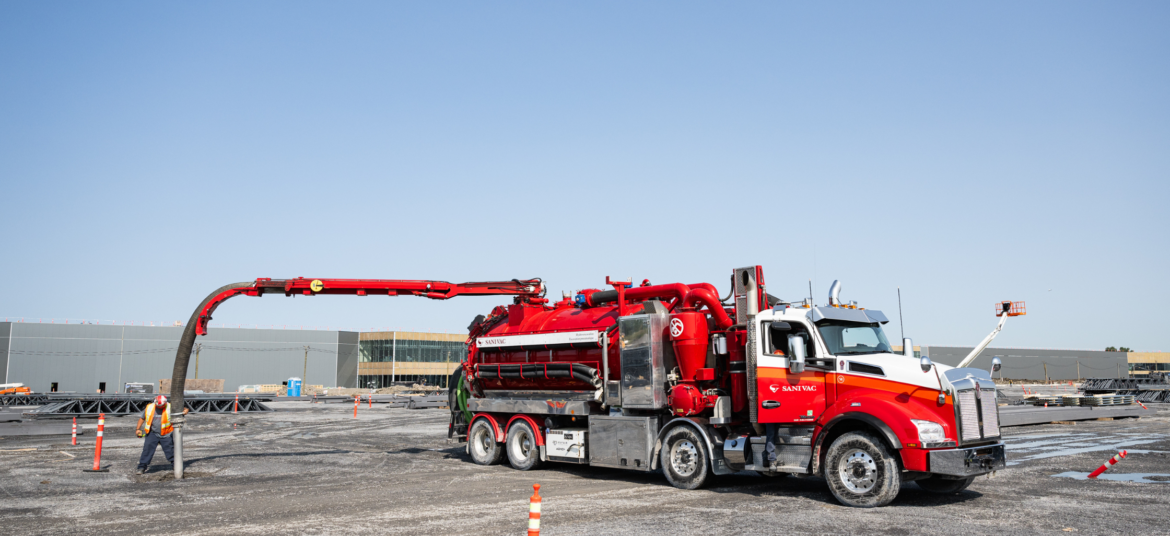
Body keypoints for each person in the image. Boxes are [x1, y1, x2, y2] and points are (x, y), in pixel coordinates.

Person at [134, 395, 189, 475]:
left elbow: (184, 409)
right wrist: (138, 429)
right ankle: (141, 467)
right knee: (147, 450)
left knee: (170, 451)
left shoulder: (170, 407)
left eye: (162, 406)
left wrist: (186, 409)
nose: (160, 407)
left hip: (166, 433)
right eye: (158, 406)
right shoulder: (149, 407)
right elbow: (142, 418)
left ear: (165, 403)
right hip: (152, 433)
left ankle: (176, 466)